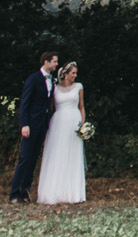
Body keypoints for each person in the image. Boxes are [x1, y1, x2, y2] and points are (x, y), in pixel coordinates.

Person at [35, 61, 89, 205]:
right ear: (65, 74)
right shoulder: (55, 89)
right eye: (73, 73)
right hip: (58, 123)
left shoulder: (79, 87)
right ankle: (54, 191)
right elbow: (50, 106)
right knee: (58, 154)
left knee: (72, 155)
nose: (75, 76)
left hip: (74, 123)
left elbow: (81, 107)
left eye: (76, 73)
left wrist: (83, 126)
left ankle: (73, 193)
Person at [9, 50, 59, 203]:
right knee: (24, 158)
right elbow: (25, 103)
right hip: (31, 124)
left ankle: (25, 191)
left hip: (43, 124)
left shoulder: (51, 80)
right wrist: (24, 124)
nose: (57, 64)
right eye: (55, 61)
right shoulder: (33, 79)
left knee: (33, 159)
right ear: (46, 62)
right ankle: (14, 193)